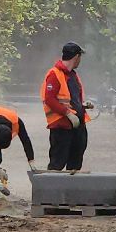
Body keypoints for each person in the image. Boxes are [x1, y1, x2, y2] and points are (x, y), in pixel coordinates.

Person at [42, 41, 93, 172]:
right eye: (80, 57)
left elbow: (70, 98)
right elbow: (49, 99)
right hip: (62, 126)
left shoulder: (73, 75)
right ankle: (51, 190)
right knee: (57, 163)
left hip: (78, 125)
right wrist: (68, 113)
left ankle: (71, 190)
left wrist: (82, 106)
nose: (80, 61)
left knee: (76, 162)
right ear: (76, 57)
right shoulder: (55, 74)